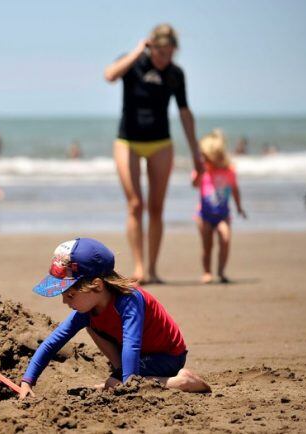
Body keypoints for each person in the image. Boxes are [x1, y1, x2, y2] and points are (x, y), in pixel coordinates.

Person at [18, 238, 211, 399]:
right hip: (142, 353)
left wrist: (127, 386)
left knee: (113, 383)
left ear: (97, 285)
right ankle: (123, 377)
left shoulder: (129, 300)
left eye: (70, 295)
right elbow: (53, 342)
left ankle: (183, 381)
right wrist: (27, 381)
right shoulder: (88, 308)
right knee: (91, 326)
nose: (64, 302)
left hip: (167, 356)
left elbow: (131, 344)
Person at [104, 24, 203, 284]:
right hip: (128, 142)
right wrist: (138, 51)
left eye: (170, 54)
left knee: (156, 208)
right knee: (136, 204)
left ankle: (153, 269)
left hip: (160, 143)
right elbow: (110, 75)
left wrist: (196, 154)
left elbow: (184, 112)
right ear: (152, 47)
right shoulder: (133, 64)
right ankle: (139, 268)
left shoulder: (175, 74)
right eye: (161, 53)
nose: (165, 59)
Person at [193, 131, 246, 284]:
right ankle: (207, 272)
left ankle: (221, 271)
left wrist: (239, 207)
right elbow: (194, 185)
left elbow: (235, 190)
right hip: (204, 215)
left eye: (206, 157)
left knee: (225, 238)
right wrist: (199, 174)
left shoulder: (229, 171)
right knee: (207, 244)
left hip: (223, 214)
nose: (203, 159)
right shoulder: (203, 171)